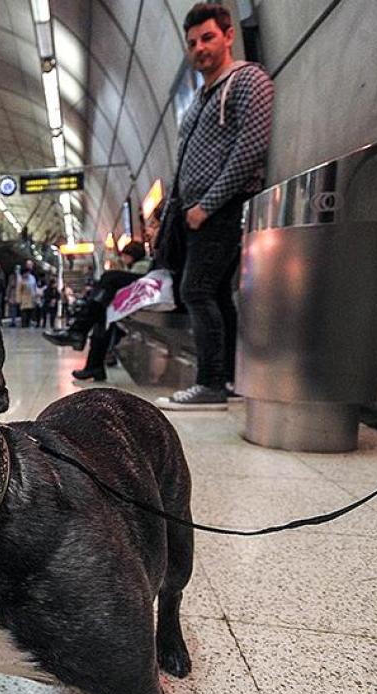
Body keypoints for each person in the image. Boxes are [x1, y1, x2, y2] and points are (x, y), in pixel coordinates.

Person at [157, 2, 274, 410]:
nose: (199, 48)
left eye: (207, 38)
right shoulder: (199, 101)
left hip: (221, 208)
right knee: (218, 294)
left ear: (228, 35)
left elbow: (250, 148)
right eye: (192, 43)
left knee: (197, 289)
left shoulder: (248, 80)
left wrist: (207, 205)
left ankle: (210, 383)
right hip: (195, 213)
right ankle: (230, 378)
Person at [44, 241, 151, 381]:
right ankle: (92, 363)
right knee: (101, 316)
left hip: (141, 297)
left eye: (125, 256)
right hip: (127, 301)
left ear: (131, 256)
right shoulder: (139, 267)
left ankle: (78, 333)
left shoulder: (141, 268)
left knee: (109, 278)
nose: (123, 259)